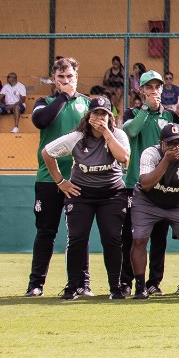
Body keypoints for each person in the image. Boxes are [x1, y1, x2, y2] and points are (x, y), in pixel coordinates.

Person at [39, 95, 131, 300]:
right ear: (88, 116)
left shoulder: (118, 135)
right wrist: (61, 182)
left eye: (104, 114)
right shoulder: (77, 137)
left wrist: (106, 131)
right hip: (81, 194)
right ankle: (72, 287)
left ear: (110, 116)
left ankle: (115, 287)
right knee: (77, 238)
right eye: (96, 113)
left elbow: (123, 158)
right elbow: (47, 153)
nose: (99, 117)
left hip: (112, 194)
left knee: (112, 238)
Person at [26, 58, 88, 296]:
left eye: (69, 77)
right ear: (54, 79)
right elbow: (41, 121)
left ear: (76, 77)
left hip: (79, 178)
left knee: (79, 234)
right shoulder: (45, 102)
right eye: (61, 78)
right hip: (48, 178)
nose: (65, 81)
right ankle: (36, 285)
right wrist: (63, 96)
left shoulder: (87, 104)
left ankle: (82, 283)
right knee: (46, 232)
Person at [128, 122, 179, 299]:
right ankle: (140, 287)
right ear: (161, 143)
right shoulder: (150, 153)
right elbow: (146, 184)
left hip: (178, 203)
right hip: (147, 202)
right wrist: (166, 161)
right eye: (170, 143)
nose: (175, 147)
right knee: (139, 239)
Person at [119, 70, 173, 296]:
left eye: (157, 87)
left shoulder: (170, 115)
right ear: (141, 90)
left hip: (163, 184)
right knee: (131, 236)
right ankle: (126, 281)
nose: (154, 91)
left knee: (159, 236)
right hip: (135, 183)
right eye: (149, 87)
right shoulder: (131, 113)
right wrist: (145, 109)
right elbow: (130, 132)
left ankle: (154, 282)